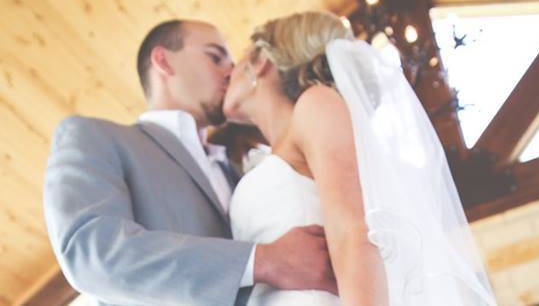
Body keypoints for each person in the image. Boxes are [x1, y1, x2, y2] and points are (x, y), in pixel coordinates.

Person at [44, 20, 337, 306]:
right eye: (215, 57)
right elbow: (93, 255)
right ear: (163, 62)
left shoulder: (239, 171)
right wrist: (263, 260)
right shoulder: (95, 137)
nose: (231, 71)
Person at [223, 11, 497, 305]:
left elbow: (354, 233)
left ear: (261, 60)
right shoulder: (274, 149)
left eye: (236, 60)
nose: (228, 72)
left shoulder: (317, 104)